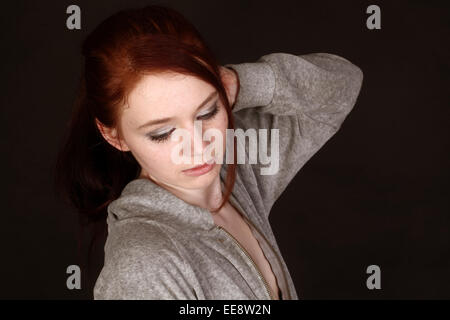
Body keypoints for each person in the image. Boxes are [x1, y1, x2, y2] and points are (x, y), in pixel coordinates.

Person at [54, 4, 363, 300]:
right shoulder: (144, 267)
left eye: (207, 112)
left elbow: (343, 85)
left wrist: (245, 82)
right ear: (114, 136)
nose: (199, 146)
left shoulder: (238, 165)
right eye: (162, 133)